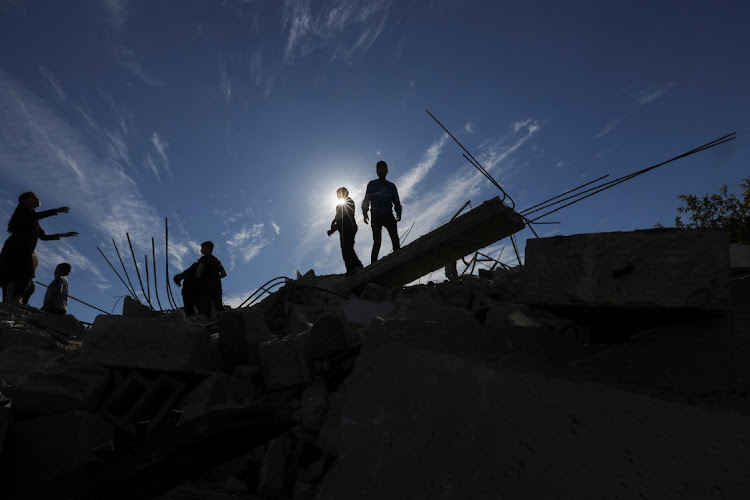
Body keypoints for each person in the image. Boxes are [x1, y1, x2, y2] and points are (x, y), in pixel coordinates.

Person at [0, 192, 78, 304]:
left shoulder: (34, 220)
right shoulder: (24, 211)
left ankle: (18, 300)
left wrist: (63, 235)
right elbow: (34, 216)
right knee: (8, 274)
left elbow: (43, 236)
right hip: (14, 248)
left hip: (26, 251)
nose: (38, 199)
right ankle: (16, 300)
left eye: (38, 197)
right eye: (34, 197)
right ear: (24, 200)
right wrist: (56, 210)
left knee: (26, 275)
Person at [362, 160, 402, 264]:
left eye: (383, 168)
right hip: (376, 215)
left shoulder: (391, 186)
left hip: (388, 215)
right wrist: (365, 213)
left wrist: (398, 212)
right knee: (377, 242)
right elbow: (367, 199)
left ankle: (398, 260)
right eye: (379, 169)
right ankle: (373, 265)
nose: (381, 170)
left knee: (395, 239)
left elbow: (396, 200)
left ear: (387, 170)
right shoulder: (372, 184)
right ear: (376, 171)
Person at [327, 187, 363, 275]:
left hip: (348, 227)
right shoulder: (340, 205)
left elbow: (342, 217)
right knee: (346, 249)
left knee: (347, 249)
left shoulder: (348, 202)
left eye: (339, 194)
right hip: (345, 228)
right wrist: (333, 226)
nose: (337, 196)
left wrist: (333, 227)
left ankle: (356, 267)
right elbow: (338, 218)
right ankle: (352, 268)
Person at [195, 241, 227, 317]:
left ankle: (207, 323)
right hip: (216, 285)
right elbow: (224, 274)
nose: (201, 250)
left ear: (207, 248)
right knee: (218, 305)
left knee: (205, 305)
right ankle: (224, 319)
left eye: (202, 248)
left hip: (205, 286)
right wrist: (215, 278)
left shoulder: (203, 259)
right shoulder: (216, 260)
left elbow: (199, 272)